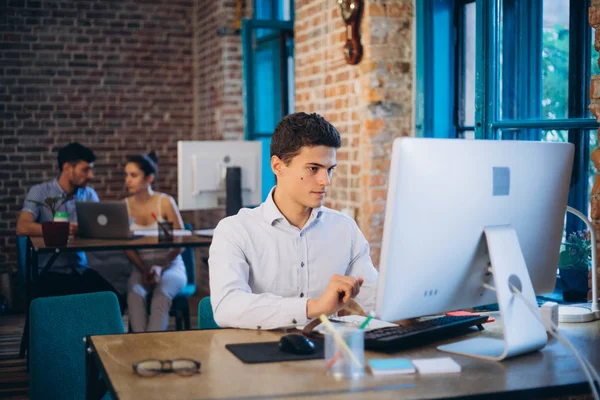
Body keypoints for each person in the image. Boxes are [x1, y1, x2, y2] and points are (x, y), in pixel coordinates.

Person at [209, 112, 378, 329]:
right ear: (278, 166)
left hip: (324, 354)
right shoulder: (235, 230)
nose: (325, 181)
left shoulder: (344, 229)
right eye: (313, 168)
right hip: (257, 354)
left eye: (330, 170)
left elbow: (377, 300)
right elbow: (227, 306)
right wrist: (313, 307)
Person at [16, 142, 125, 310]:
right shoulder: (40, 192)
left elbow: (98, 231)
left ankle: (91, 336)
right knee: (56, 305)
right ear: (67, 168)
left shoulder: (89, 194)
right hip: (49, 271)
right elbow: (22, 227)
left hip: (80, 269)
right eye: (85, 169)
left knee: (116, 300)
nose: (90, 175)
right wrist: (61, 229)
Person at [124, 152, 187, 332]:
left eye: (133, 175)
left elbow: (181, 241)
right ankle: (140, 348)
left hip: (171, 265)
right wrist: (145, 269)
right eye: (126, 175)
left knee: (162, 295)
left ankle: (154, 347)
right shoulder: (125, 206)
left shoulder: (166, 202)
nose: (128, 180)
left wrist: (161, 266)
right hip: (140, 266)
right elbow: (126, 247)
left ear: (149, 178)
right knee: (135, 295)